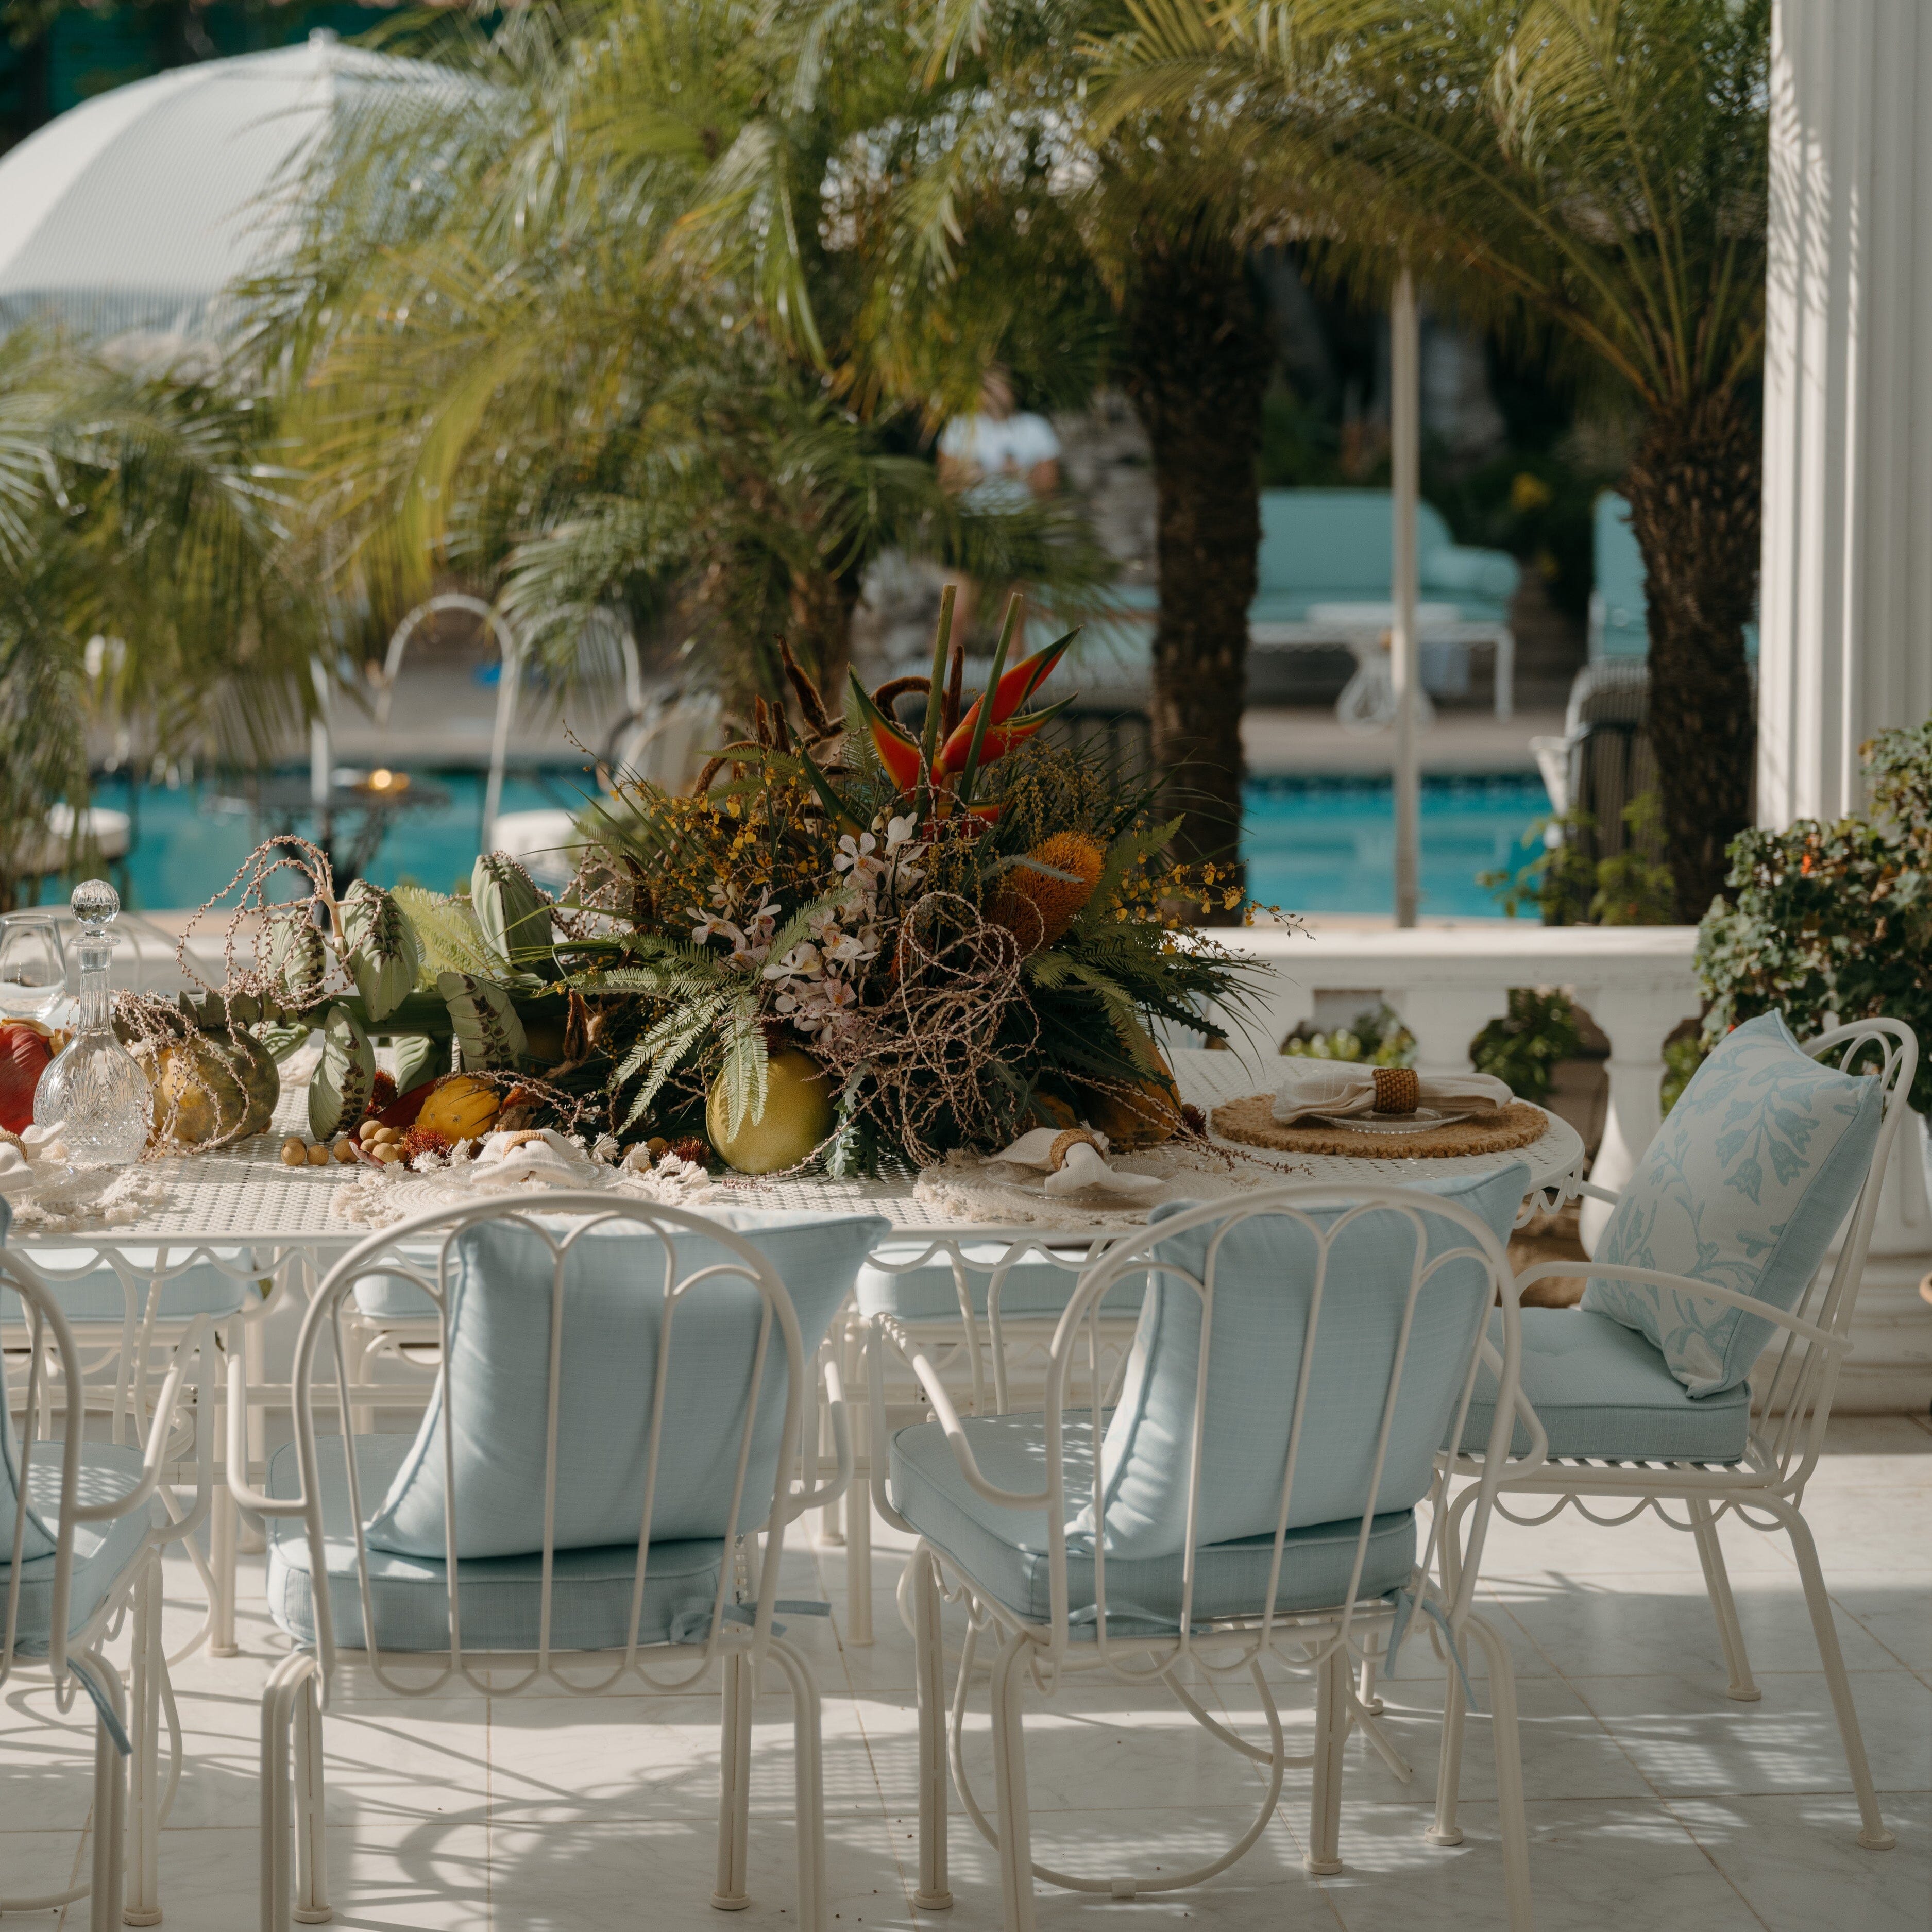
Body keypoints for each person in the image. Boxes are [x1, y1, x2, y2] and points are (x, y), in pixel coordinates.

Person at [936, 367, 1060, 635]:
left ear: (1013, 390)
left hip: (1020, 526)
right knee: (955, 616)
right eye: (987, 388)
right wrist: (972, 475)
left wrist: (1021, 474)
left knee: (1013, 621)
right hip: (973, 525)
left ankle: (1014, 676)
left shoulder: (1035, 428)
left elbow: (1050, 487)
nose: (994, 395)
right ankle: (943, 677)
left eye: (1000, 387)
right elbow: (945, 486)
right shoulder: (960, 427)